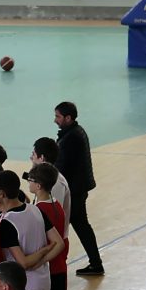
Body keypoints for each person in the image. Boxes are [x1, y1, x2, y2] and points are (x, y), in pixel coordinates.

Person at [31, 136, 74, 290]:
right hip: (56, 247)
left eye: (33, 154)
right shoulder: (53, 189)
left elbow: (50, 226)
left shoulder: (53, 188)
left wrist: (39, 258)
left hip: (52, 249)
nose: (30, 157)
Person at [54, 101, 103, 276]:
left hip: (75, 190)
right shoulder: (74, 132)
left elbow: (62, 165)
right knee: (81, 226)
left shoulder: (71, 137)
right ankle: (95, 263)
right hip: (78, 188)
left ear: (68, 118)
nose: (55, 120)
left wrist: (43, 173)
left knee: (57, 229)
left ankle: (54, 266)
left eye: (58, 116)